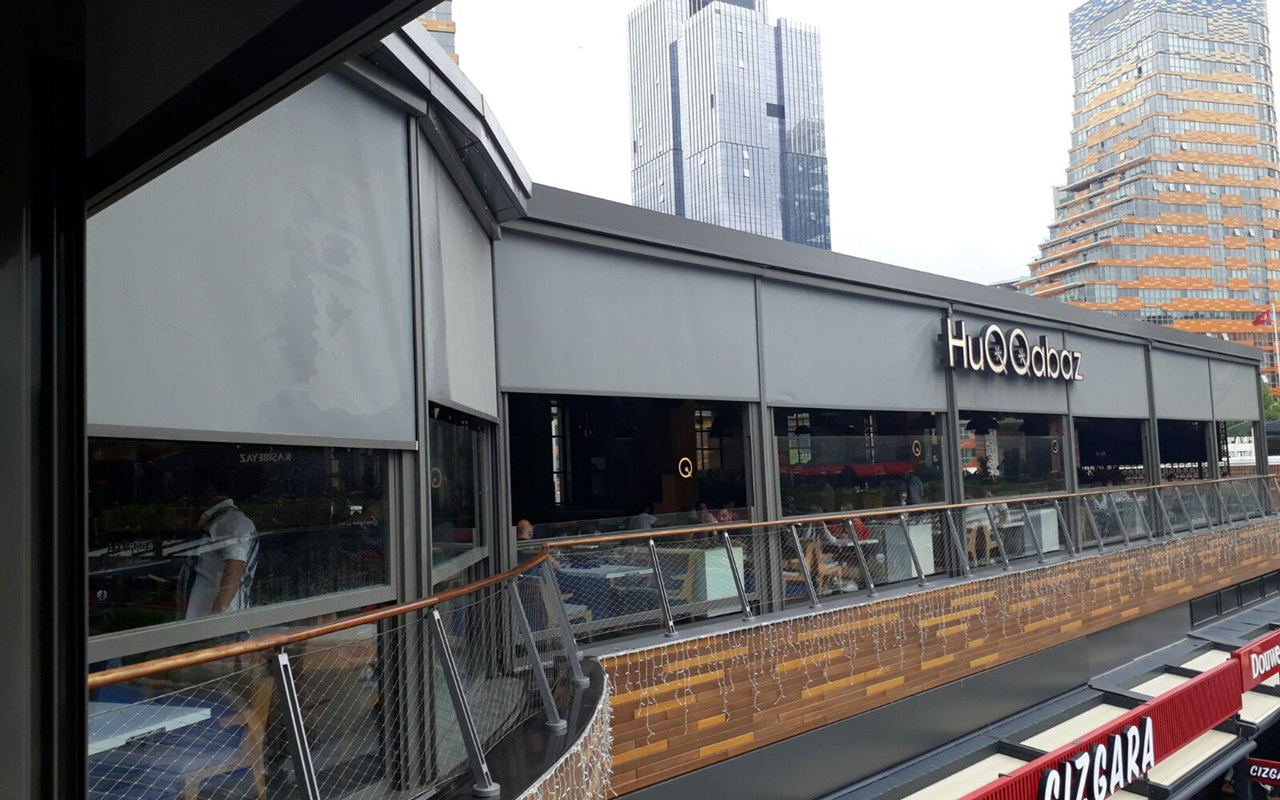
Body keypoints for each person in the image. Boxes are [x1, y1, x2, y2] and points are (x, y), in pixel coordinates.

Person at [186, 465, 258, 620]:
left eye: (197, 488)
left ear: (209, 488)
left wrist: (216, 617)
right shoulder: (218, 520)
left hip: (222, 622)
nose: (193, 495)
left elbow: (234, 570)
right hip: (202, 618)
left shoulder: (233, 522)